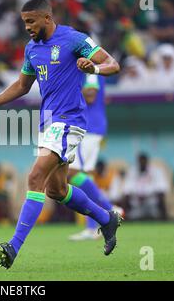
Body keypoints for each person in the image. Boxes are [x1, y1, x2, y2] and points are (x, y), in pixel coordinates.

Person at [0, 0, 122, 269]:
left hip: (70, 121)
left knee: (35, 177)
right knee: (57, 190)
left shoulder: (74, 38)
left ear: (47, 18)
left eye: (31, 21)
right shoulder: (32, 49)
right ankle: (107, 219)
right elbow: (22, 86)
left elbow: (112, 64)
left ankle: (13, 246)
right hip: (48, 125)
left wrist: (93, 68)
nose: (27, 27)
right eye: (24, 22)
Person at [67, 74, 122, 241]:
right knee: (85, 177)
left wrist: (68, 92)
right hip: (90, 127)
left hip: (88, 127)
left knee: (72, 173)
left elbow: (90, 94)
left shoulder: (89, 68)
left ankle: (109, 208)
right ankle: (92, 227)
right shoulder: (85, 67)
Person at [122, 153, 169, 221]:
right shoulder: (132, 171)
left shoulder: (156, 171)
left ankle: (165, 221)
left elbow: (162, 190)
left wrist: (147, 195)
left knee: (155, 215)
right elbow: (126, 191)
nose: (142, 163)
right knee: (133, 216)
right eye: (140, 161)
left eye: (144, 161)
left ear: (147, 161)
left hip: (152, 205)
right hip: (137, 206)